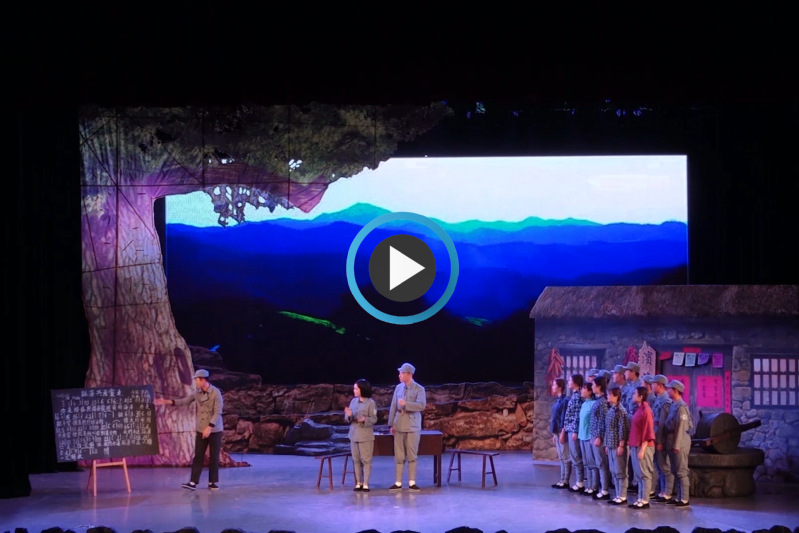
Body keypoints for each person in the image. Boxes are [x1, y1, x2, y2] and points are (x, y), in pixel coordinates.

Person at [154, 369, 224, 491]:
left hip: (215, 429)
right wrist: (166, 401)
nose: (196, 382)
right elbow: (185, 401)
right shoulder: (197, 393)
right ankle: (193, 482)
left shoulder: (215, 393)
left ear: (203, 380)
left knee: (214, 456)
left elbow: (217, 412)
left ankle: (212, 482)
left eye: (197, 380)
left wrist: (210, 427)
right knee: (198, 455)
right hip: (201, 428)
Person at [388, 362, 427, 491]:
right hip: (399, 424)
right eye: (399, 373)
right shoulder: (398, 388)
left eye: (402, 373)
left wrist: (407, 404)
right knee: (399, 455)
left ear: (409, 374)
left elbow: (421, 405)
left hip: (412, 425)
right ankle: (398, 482)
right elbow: (393, 406)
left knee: (411, 455)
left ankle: (412, 482)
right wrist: (391, 424)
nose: (399, 375)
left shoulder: (419, 389)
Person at [344, 379, 378, 492]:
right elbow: (347, 418)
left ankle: (366, 483)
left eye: (356, 389)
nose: (354, 390)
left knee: (366, 460)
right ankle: (358, 483)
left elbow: (374, 418)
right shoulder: (353, 402)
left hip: (365, 435)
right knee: (356, 459)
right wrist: (349, 415)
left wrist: (365, 419)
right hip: (354, 435)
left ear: (362, 389)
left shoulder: (371, 403)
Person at [664, 379, 693, 507]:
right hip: (672, 440)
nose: (667, 390)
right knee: (675, 470)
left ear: (675, 391)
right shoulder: (674, 405)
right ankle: (679, 497)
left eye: (669, 389)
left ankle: (685, 498)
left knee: (682, 470)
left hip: (680, 442)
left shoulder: (681, 408)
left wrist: (677, 445)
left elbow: (681, 427)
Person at [628, 386, 655, 509]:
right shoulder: (639, 409)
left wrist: (643, 449)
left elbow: (648, 430)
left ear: (640, 396)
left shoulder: (647, 410)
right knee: (639, 474)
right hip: (635, 444)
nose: (633, 395)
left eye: (635, 394)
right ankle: (640, 498)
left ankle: (645, 500)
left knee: (645, 474)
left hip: (643, 446)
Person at [650, 374, 674, 503]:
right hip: (655, 435)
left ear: (659, 385)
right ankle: (662, 491)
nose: (652, 386)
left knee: (664, 466)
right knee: (659, 466)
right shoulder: (658, 399)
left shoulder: (666, 401)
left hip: (661, 437)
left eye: (653, 384)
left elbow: (663, 423)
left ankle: (667, 492)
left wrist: (659, 441)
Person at [605, 384, 629, 505]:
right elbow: (608, 429)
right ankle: (617, 494)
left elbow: (622, 429)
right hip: (610, 444)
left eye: (610, 395)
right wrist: (606, 444)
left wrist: (621, 445)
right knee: (613, 470)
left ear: (616, 396)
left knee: (620, 471)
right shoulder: (611, 410)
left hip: (617, 445)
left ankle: (622, 495)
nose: (608, 396)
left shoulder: (621, 411)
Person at [561, 373, 585, 492]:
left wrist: (575, 430)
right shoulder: (575, 395)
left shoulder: (578, 396)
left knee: (576, 455)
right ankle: (578, 481)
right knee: (573, 455)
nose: (568, 382)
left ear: (575, 382)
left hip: (573, 429)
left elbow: (577, 415)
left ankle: (580, 482)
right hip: (570, 428)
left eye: (570, 380)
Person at [589, 375, 612, 500]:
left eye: (593, 385)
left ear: (598, 386)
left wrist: (599, 436)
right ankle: (600, 488)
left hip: (599, 437)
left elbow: (603, 421)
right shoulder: (598, 400)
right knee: (598, 463)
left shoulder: (603, 402)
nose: (592, 387)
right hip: (594, 436)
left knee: (602, 464)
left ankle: (605, 490)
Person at [549, 378, 571, 489]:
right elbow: (555, 418)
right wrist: (554, 434)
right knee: (561, 457)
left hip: (562, 431)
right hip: (556, 431)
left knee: (565, 456)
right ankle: (562, 480)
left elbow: (564, 418)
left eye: (554, 385)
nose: (552, 387)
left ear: (560, 387)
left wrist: (562, 432)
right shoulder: (557, 400)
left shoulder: (565, 401)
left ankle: (566, 481)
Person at [577, 381, 597, 496]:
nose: (581, 390)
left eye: (584, 389)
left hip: (589, 437)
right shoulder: (584, 404)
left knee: (592, 463)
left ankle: (594, 486)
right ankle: (589, 485)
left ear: (590, 391)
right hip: (582, 436)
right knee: (586, 463)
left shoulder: (593, 404)